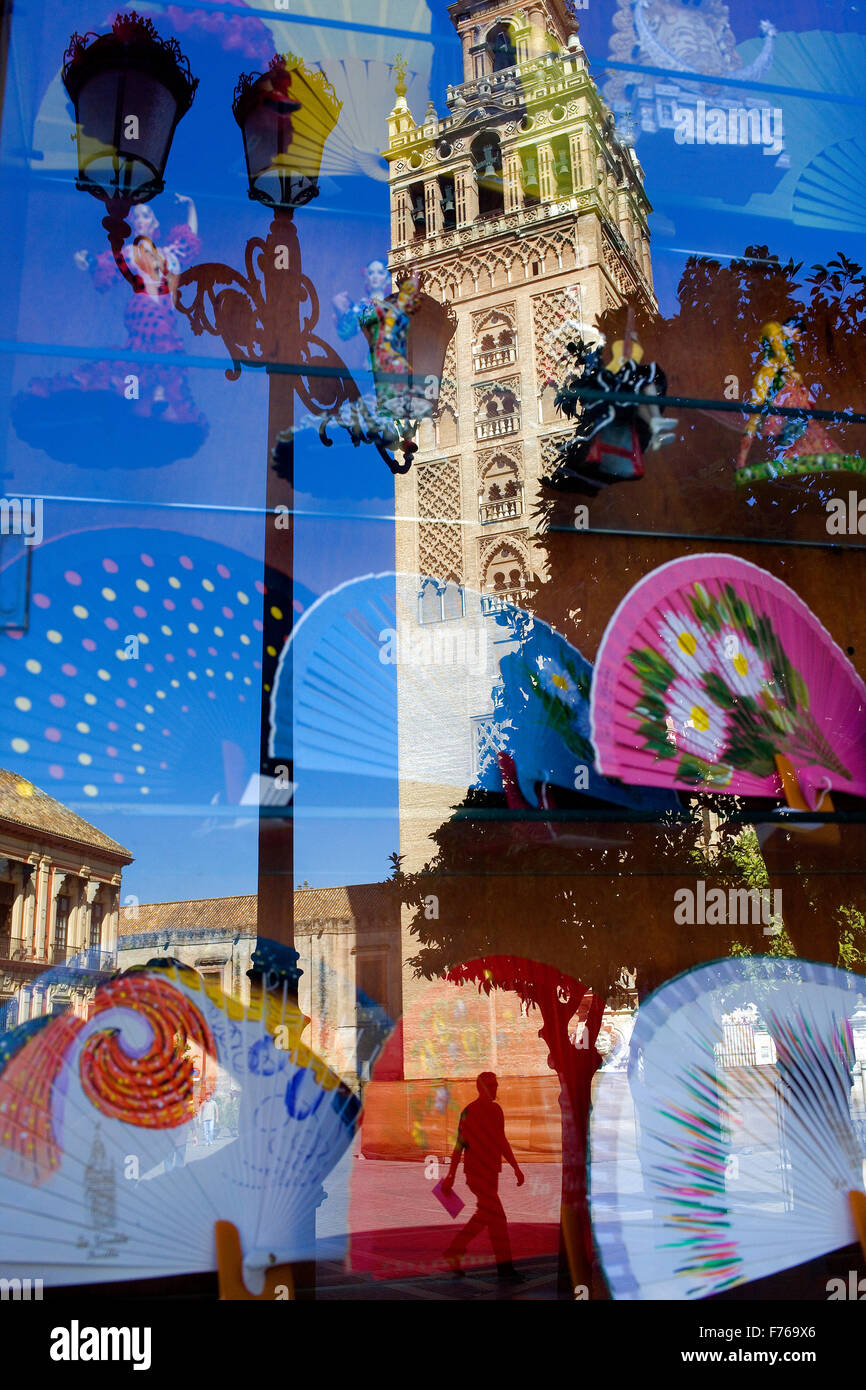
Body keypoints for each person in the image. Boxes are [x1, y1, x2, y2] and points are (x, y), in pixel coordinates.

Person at [441, 1071, 526, 1280]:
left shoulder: (497, 1111)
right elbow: (459, 1145)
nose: (495, 1088)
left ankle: (455, 1250)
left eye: (496, 1085)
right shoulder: (469, 1112)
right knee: (498, 1218)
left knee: (485, 1216)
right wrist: (450, 1175)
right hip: (476, 1174)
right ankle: (505, 1270)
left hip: (491, 1172)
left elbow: (501, 1140)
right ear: (481, 1088)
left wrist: (515, 1166)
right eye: (490, 1085)